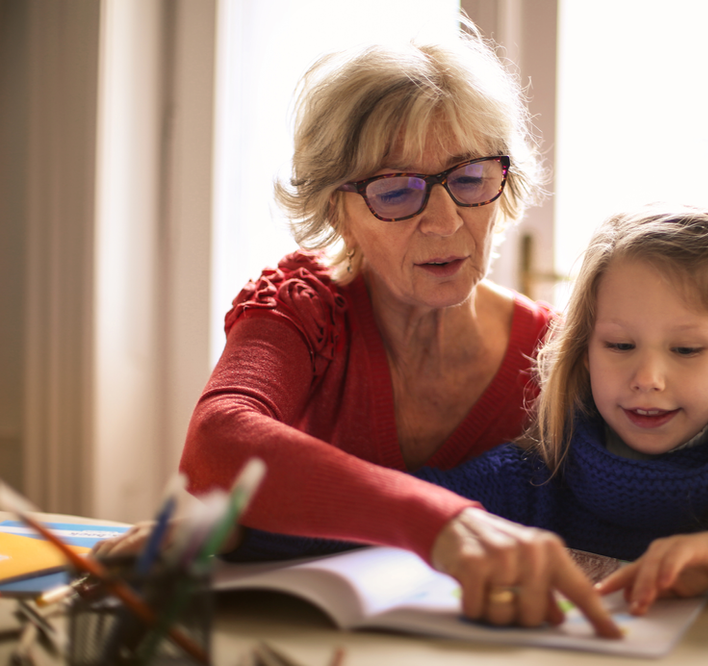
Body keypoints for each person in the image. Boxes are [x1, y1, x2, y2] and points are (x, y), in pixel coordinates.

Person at [94, 24, 619, 637]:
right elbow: (218, 441)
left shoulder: (551, 352)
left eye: (471, 180)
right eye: (397, 191)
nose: (445, 221)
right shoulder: (305, 306)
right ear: (335, 212)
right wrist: (438, 521)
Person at [214, 205, 708, 611]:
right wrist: (223, 537)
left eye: (688, 351)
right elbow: (384, 521)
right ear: (581, 354)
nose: (650, 380)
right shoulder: (530, 481)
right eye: (620, 346)